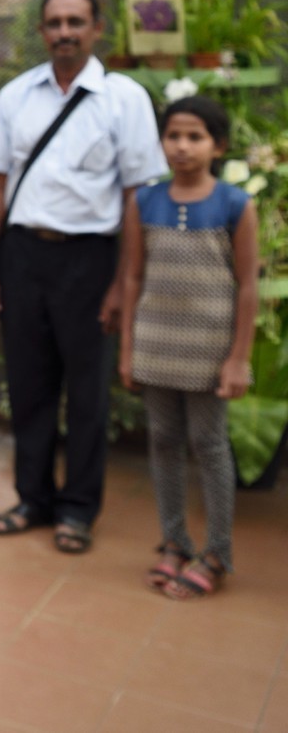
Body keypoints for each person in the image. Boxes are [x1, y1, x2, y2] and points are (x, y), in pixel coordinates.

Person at [0, 0, 166, 554]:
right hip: (23, 256)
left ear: (97, 28)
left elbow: (136, 196)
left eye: (76, 21)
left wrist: (121, 285)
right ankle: (32, 498)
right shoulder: (16, 96)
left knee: (87, 394)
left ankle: (78, 509)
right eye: (54, 22)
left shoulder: (124, 99)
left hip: (91, 260)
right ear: (41, 32)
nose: (64, 32)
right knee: (29, 387)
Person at [119, 95, 257, 599]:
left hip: (209, 349)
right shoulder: (144, 201)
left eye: (195, 137)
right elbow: (133, 276)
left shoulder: (235, 205)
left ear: (217, 145)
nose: (182, 146)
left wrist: (238, 357)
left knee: (210, 446)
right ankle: (174, 541)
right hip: (156, 343)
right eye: (173, 135)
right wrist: (129, 350)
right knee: (163, 440)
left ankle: (217, 551)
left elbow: (246, 286)